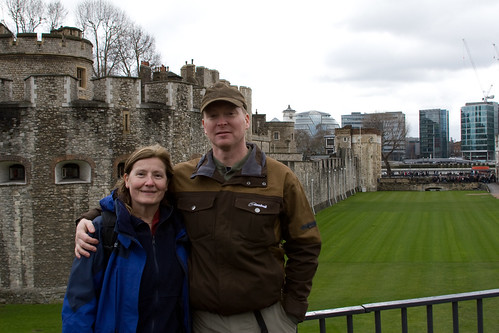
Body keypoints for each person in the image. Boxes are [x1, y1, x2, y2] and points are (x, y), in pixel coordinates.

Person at [75, 82, 321, 333]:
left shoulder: (281, 178)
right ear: (203, 125)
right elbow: (137, 195)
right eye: (213, 116)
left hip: (264, 319)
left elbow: (306, 245)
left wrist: (293, 307)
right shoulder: (182, 177)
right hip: (202, 321)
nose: (221, 122)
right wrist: (91, 216)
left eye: (230, 114)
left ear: (246, 120)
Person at [62, 144, 191, 333]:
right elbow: (79, 302)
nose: (149, 182)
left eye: (157, 175)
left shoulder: (179, 229)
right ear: (127, 179)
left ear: (167, 183)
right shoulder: (101, 230)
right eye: (141, 174)